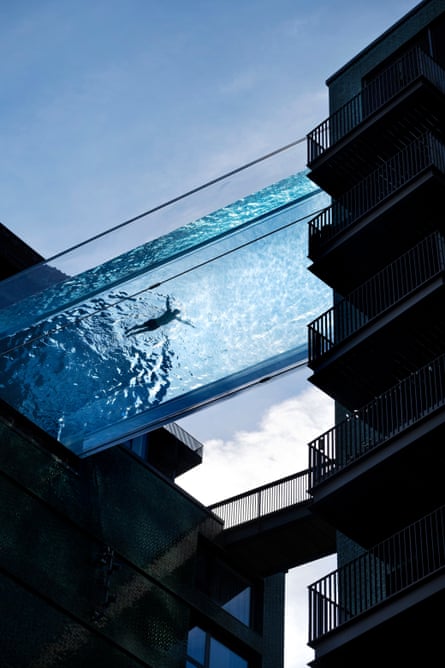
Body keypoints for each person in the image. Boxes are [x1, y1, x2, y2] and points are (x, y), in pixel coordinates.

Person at [125, 296, 194, 336]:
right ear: (175, 311)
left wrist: (190, 325)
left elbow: (183, 321)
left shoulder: (174, 317)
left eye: (176, 312)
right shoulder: (169, 311)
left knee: (143, 330)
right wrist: (167, 299)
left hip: (156, 325)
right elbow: (168, 305)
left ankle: (131, 334)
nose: (175, 312)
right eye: (176, 311)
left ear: (176, 313)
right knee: (141, 327)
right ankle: (130, 330)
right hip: (154, 322)